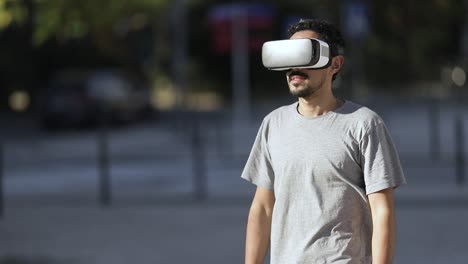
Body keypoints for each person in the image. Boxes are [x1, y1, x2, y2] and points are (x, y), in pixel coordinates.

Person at [241, 18, 406, 264]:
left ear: (335, 64)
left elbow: (382, 211)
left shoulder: (363, 124)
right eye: (289, 57)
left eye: (306, 55)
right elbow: (263, 208)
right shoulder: (272, 125)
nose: (295, 68)